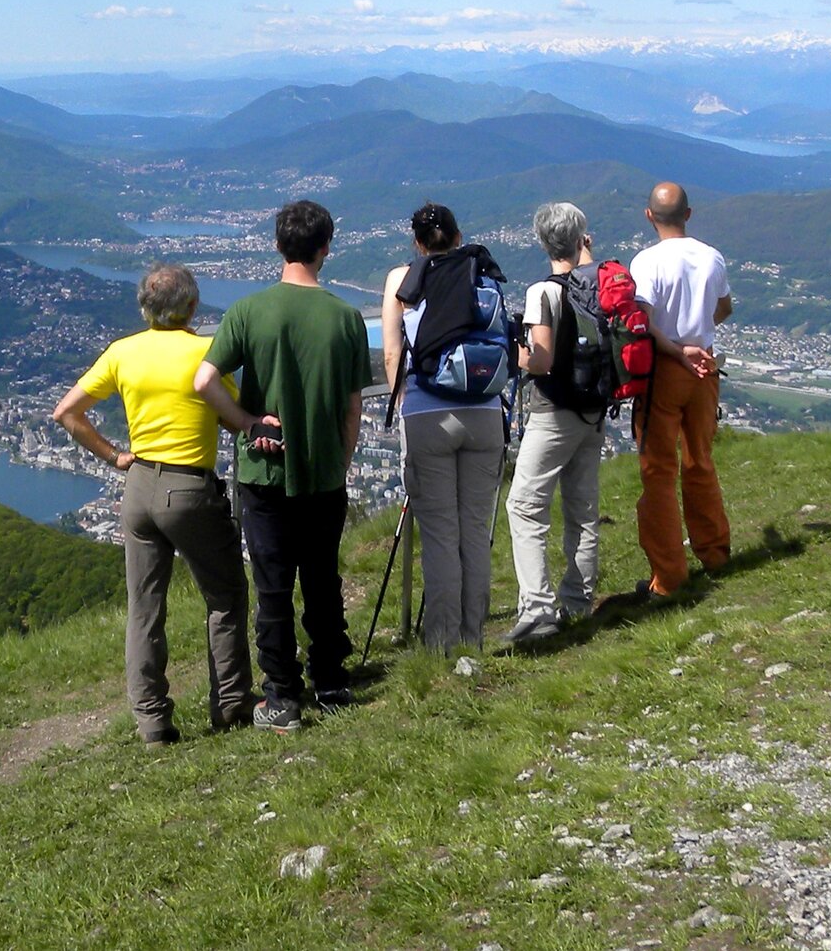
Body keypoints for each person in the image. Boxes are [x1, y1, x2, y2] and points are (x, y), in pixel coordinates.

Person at [52, 262, 252, 744]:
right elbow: (232, 418)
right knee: (224, 597)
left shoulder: (122, 353)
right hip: (189, 487)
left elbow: (67, 412)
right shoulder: (205, 352)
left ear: (144, 309)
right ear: (191, 306)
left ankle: (152, 721)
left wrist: (114, 456)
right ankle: (230, 705)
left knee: (145, 608)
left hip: (138, 486)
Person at [193, 199, 372, 733]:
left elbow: (203, 382)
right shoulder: (345, 318)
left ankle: (282, 697)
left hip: (263, 475)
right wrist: (341, 462)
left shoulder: (248, 311)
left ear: (277, 245)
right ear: (325, 249)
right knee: (322, 579)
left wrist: (248, 424)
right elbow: (352, 406)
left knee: (272, 586)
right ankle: (332, 682)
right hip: (322, 474)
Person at [380, 203, 507, 653]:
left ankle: (440, 643)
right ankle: (474, 638)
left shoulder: (403, 280)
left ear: (417, 243)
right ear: (458, 237)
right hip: (486, 411)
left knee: (439, 535)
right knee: (475, 532)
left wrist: (403, 410)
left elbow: (393, 357)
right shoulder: (483, 272)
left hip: (428, 415)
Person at [506, 200, 608, 644]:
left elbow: (541, 361)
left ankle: (537, 608)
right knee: (582, 509)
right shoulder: (598, 286)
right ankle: (578, 602)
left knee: (525, 506)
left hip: (553, 414)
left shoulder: (542, 292)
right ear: (582, 238)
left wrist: (514, 351)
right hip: (593, 409)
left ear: (542, 241)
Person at [629, 182, 734, 599]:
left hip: (666, 370)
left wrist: (677, 347)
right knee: (700, 461)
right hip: (705, 369)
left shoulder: (647, 262)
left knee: (658, 472)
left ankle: (669, 578)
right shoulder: (711, 257)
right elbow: (723, 308)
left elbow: (643, 323)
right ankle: (714, 552)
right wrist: (698, 335)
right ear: (689, 215)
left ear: (649, 215)